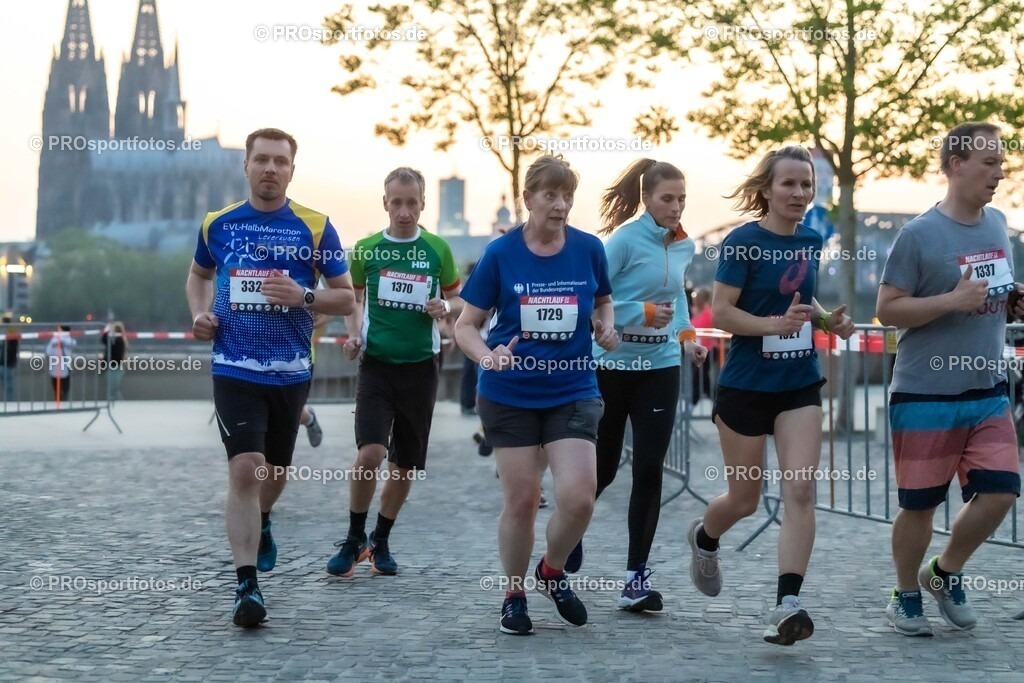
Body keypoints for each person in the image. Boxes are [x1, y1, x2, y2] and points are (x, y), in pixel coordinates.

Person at [186, 127, 355, 627]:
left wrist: (304, 296)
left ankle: (263, 519)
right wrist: (199, 314)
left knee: (273, 474)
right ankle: (247, 587)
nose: (270, 169)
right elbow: (199, 276)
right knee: (246, 469)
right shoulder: (218, 224)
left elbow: (346, 297)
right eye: (261, 159)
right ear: (246, 166)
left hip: (291, 371)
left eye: (280, 161)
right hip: (233, 366)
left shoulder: (316, 226)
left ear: (291, 171)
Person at [686, 145, 854, 645]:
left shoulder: (810, 239)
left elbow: (800, 298)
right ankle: (705, 537)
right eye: (789, 184)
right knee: (745, 499)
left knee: (800, 490)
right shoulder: (743, 242)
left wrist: (826, 321)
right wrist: (772, 326)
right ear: (767, 189)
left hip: (798, 383)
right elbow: (722, 312)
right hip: (745, 385)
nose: (799, 193)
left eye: (806, 184)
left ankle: (787, 603)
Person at [454, 154, 619, 636]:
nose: (561, 205)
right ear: (528, 198)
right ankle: (514, 594)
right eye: (551, 195)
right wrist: (487, 357)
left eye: (568, 196)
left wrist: (606, 327)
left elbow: (603, 301)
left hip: (573, 389)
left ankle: (551, 570)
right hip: (510, 393)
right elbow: (466, 325)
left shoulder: (588, 249)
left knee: (579, 498)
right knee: (523, 501)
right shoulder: (501, 254)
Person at [877, 121, 1022, 636]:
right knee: (920, 507)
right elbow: (887, 309)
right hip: (924, 392)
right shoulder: (918, 234)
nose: (999, 173)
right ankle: (905, 595)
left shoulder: (998, 223)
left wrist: (1012, 298)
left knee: (1002, 492)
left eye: (1002, 163)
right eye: (990, 163)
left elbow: (992, 290)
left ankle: (944, 572)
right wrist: (951, 301)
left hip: (987, 390)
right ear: (957, 165)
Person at [582, 158, 708, 612]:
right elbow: (594, 299)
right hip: (612, 365)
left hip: (660, 366)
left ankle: (635, 578)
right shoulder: (623, 241)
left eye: (681, 199)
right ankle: (569, 535)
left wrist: (688, 338)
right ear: (647, 199)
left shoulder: (684, 244)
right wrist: (641, 313)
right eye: (667, 199)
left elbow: (677, 298)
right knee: (604, 467)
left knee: (649, 469)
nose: (676, 207)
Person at [326, 167, 462, 579]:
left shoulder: (437, 249)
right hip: (377, 366)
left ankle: (380, 539)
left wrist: (445, 308)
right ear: (385, 202)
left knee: (404, 465)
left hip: (421, 367)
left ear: (423, 204)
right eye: (397, 202)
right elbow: (352, 300)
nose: (404, 211)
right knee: (370, 453)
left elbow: (461, 300)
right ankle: (354, 537)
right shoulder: (366, 249)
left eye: (412, 203)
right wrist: (354, 335)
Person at [298, 310, 329, 447]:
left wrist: (307, 323)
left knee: (294, 413)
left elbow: (327, 314)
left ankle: (309, 419)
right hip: (256, 361)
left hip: (301, 360)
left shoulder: (308, 293)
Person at [689, 287, 719, 402]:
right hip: (698, 349)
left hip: (708, 350)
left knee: (700, 376)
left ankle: (695, 400)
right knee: (702, 377)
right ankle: (713, 399)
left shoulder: (708, 313)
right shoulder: (697, 312)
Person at [45, 324, 76, 402]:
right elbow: (48, 351)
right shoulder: (54, 339)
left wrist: (62, 341)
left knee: (65, 386)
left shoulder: (68, 340)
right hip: (55, 365)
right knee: (56, 387)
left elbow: (73, 343)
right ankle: (58, 401)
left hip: (65, 365)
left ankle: (64, 401)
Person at [101, 321, 128, 402]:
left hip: (114, 366)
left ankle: (119, 403)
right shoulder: (120, 340)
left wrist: (106, 331)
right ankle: (117, 402)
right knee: (113, 388)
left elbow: (104, 341)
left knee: (112, 388)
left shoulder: (118, 341)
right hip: (116, 366)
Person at [1, 314, 18, 403]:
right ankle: (10, 404)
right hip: (8, 363)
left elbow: (11, 349)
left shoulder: (10, 332)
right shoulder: (11, 331)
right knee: (9, 387)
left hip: (7, 363)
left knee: (9, 386)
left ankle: (9, 404)